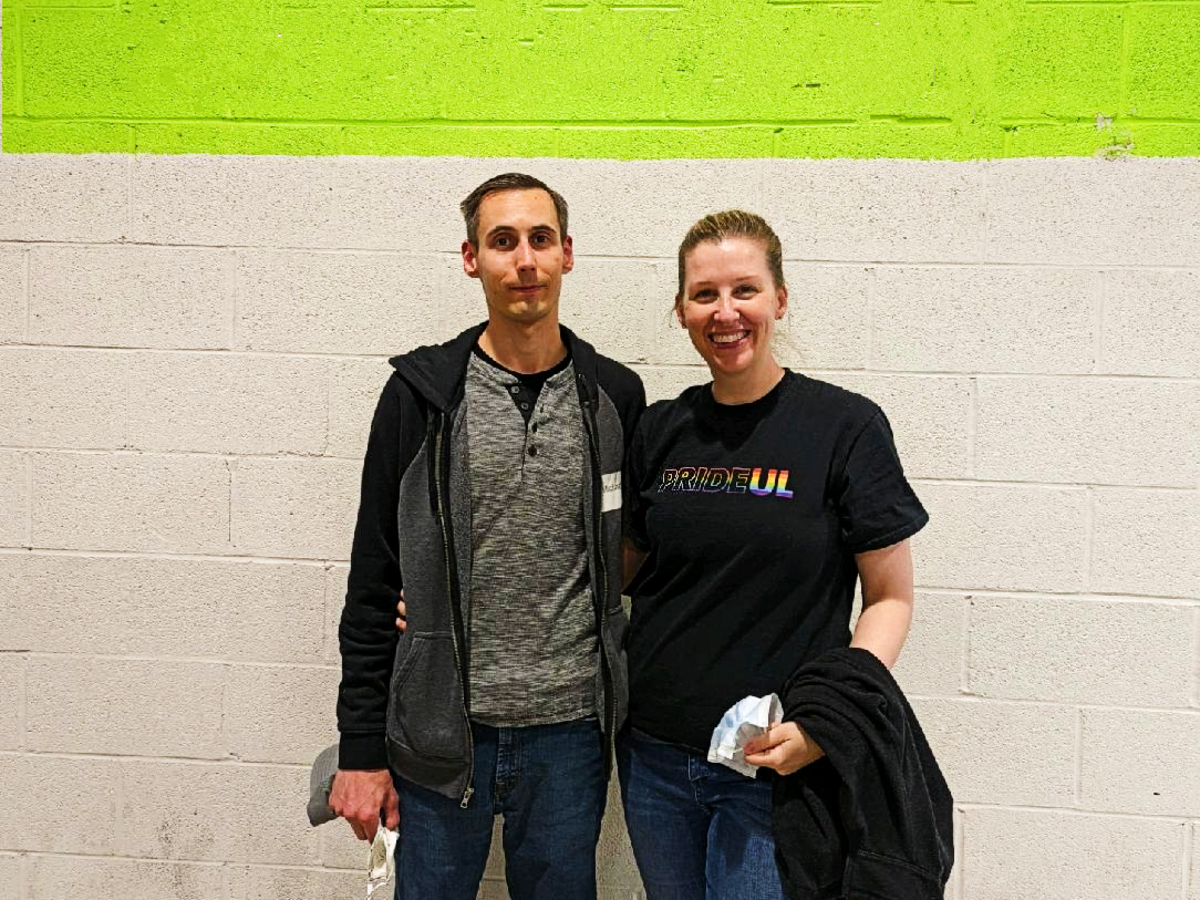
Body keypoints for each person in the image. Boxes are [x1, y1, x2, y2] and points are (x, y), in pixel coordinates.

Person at [331, 172, 645, 900]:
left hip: (571, 732)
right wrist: (360, 750)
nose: (524, 260)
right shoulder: (421, 396)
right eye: (502, 241)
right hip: (440, 731)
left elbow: (642, 548)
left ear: (568, 253)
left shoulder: (616, 398)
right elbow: (372, 578)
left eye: (540, 239)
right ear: (472, 258)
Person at [618, 210, 928, 900]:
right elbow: (620, 574)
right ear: (681, 310)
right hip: (654, 757)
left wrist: (827, 722)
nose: (725, 312)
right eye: (704, 294)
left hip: (770, 767)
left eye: (745, 290)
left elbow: (890, 598)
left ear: (779, 299)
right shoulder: (662, 430)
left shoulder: (845, 427)